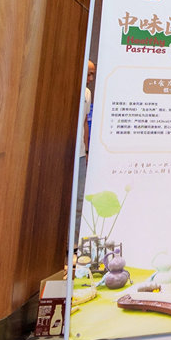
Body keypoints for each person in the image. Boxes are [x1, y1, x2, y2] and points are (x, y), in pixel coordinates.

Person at [75, 60, 95, 244]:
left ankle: (74, 243)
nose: (90, 78)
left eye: (92, 75)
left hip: (81, 154)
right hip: (66, 153)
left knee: (80, 198)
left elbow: (84, 123)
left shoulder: (87, 93)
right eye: (88, 73)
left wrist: (87, 150)